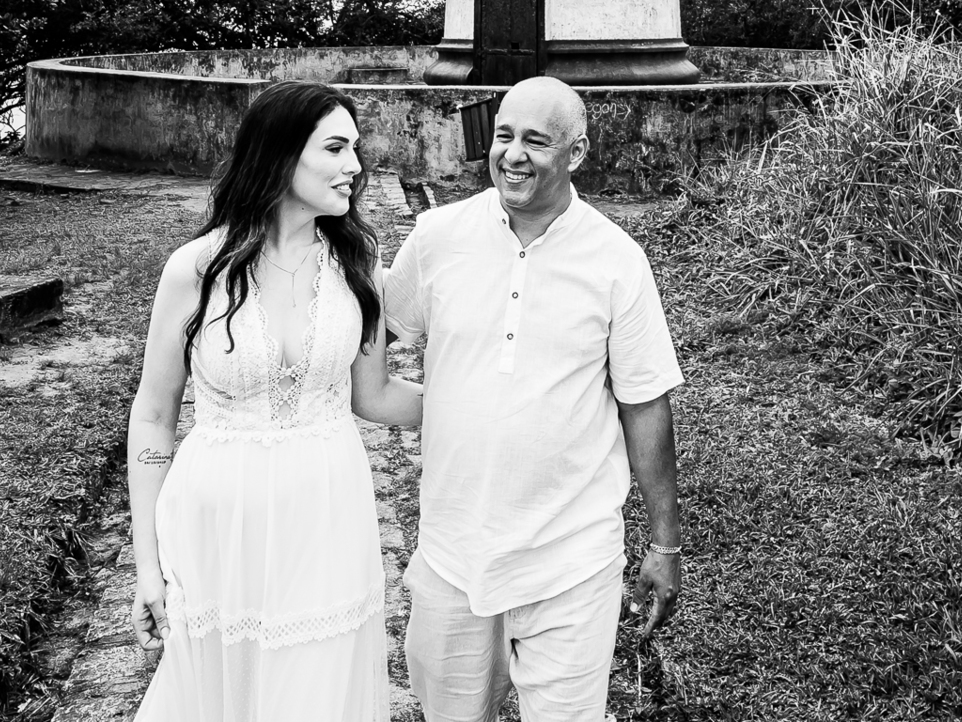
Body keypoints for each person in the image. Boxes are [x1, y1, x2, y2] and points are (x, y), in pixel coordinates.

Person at [383, 74, 683, 722]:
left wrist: (665, 545)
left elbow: (644, 404)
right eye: (504, 136)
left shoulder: (616, 259)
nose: (513, 155)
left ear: (574, 153)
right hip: (450, 553)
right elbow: (379, 328)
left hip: (570, 561)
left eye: (535, 141)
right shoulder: (438, 237)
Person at [127, 80, 422, 722]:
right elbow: (153, 417)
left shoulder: (357, 263)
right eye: (337, 148)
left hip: (327, 520)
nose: (355, 167)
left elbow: (373, 396)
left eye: (355, 150)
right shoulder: (196, 271)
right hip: (216, 530)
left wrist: (481, 405)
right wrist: (148, 564)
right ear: (282, 154)